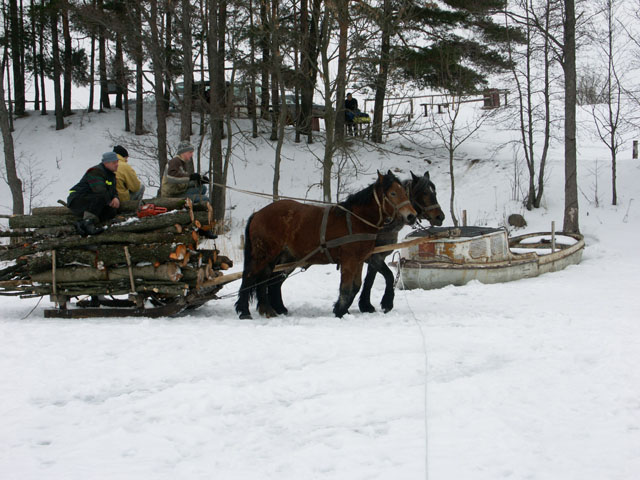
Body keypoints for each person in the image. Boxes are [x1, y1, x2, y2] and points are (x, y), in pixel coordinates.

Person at [67, 151, 121, 235]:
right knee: (101, 197)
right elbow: (99, 190)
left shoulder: (111, 175)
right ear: (106, 163)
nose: (117, 164)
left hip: (92, 202)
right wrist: (110, 201)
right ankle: (88, 223)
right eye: (114, 162)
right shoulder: (95, 171)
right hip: (77, 200)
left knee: (111, 211)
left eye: (117, 162)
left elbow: (113, 191)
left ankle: (81, 224)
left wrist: (115, 197)